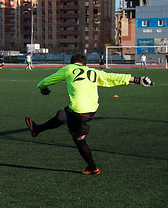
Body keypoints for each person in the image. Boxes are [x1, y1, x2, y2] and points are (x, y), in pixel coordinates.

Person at [24, 53, 154, 175]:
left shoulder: (68, 69)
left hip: (79, 111)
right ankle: (37, 129)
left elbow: (44, 82)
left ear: (72, 63)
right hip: (92, 109)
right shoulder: (93, 71)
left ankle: (93, 168)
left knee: (79, 139)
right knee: (62, 114)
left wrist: (43, 88)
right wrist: (137, 79)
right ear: (84, 65)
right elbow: (112, 77)